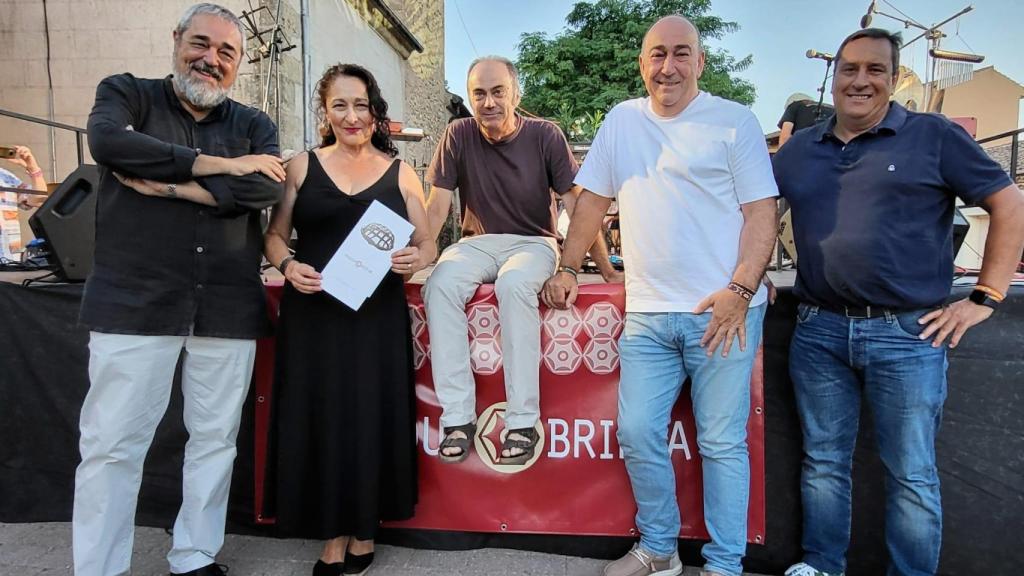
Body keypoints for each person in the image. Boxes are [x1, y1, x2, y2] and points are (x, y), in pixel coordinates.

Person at [772, 28, 1024, 576]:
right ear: (833, 76)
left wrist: (986, 296)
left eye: (875, 70)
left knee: (911, 473)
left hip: (908, 335)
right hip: (817, 331)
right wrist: (749, 273)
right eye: (849, 69)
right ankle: (822, 566)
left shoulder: (933, 136)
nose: (860, 80)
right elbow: (754, 212)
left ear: (892, 77)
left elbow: (1009, 204)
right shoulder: (798, 150)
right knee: (823, 465)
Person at [543, 15, 779, 576]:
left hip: (720, 314)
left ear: (699, 62)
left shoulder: (733, 122)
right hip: (648, 315)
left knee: (722, 444)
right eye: (656, 55)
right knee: (636, 432)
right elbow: (592, 201)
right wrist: (568, 267)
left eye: (680, 54)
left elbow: (761, 214)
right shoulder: (622, 121)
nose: (667, 67)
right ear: (642, 63)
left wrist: (740, 290)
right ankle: (659, 549)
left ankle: (724, 565)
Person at [72, 4, 285, 575]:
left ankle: (193, 555)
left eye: (226, 53)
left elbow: (266, 193)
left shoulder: (254, 124)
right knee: (111, 446)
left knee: (215, 442)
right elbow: (111, 146)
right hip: (135, 303)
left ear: (239, 63)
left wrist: (175, 189)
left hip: (225, 305)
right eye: (201, 44)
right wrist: (219, 165)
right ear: (176, 41)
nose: (210, 60)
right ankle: (98, 568)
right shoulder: (127, 94)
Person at [262, 63, 434, 576]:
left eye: (361, 105)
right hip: (313, 315)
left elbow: (426, 243)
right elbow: (272, 238)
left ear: (374, 111)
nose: (352, 116)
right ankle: (331, 533)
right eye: (340, 105)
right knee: (320, 418)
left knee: (367, 417)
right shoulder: (299, 167)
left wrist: (415, 259)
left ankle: (364, 527)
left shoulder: (401, 172)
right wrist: (288, 266)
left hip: (375, 318)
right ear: (326, 110)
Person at [422, 55, 619, 465]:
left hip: (534, 242)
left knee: (514, 286)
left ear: (516, 94)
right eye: (479, 93)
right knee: (439, 284)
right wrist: (423, 251)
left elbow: (577, 207)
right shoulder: (457, 133)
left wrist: (606, 271)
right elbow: (436, 206)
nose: (489, 102)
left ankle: (523, 421)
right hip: (477, 242)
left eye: (498, 92)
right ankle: (458, 418)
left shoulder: (545, 135)